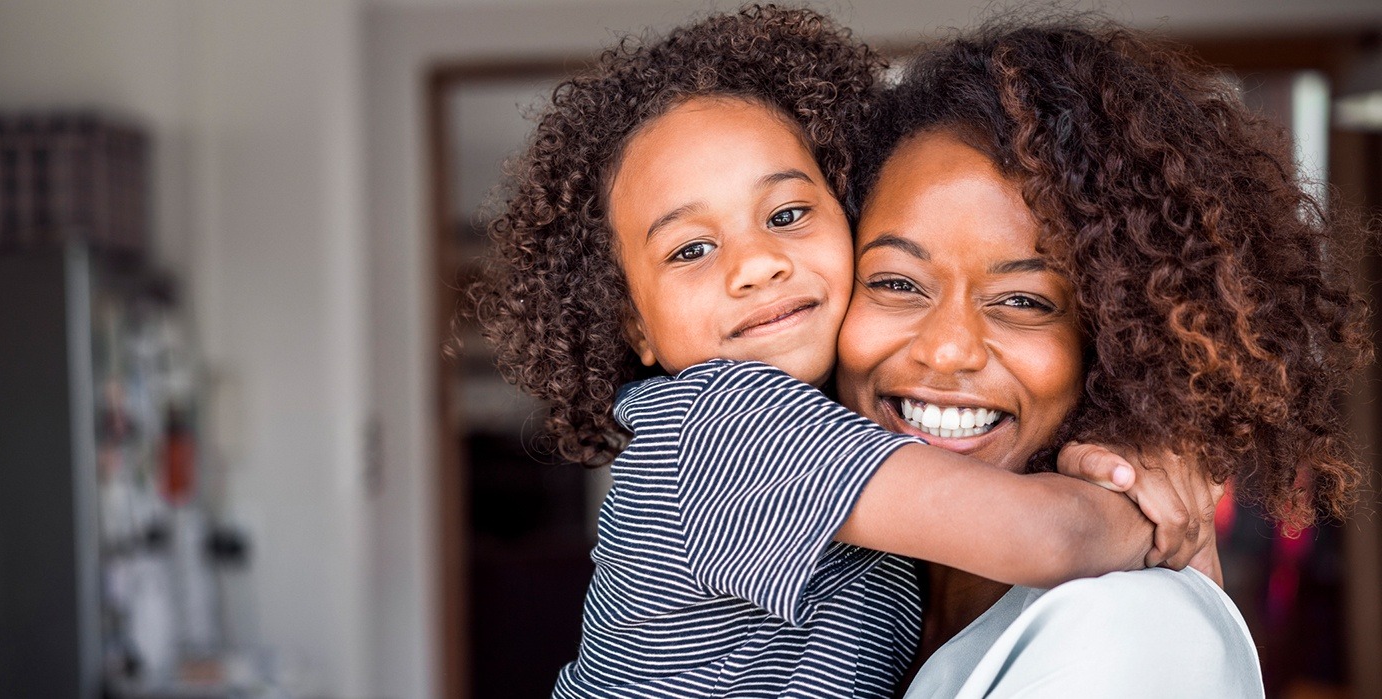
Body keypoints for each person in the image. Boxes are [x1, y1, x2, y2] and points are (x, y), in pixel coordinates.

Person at [469, 6, 1217, 698]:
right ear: (632, 325)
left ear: (845, 213)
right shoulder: (720, 422)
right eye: (691, 248)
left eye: (788, 213)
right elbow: (1049, 535)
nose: (756, 263)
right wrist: (1153, 514)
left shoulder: (846, 447)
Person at [834, 18, 1372, 697]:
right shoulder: (851, 596)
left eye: (1024, 301)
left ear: (1119, 341)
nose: (947, 348)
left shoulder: (1133, 627)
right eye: (896, 283)